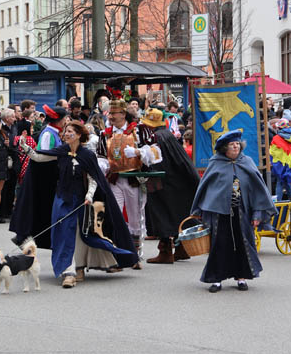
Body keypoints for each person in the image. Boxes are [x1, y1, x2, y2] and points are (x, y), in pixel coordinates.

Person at [14, 121, 139, 287]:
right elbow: (39, 157)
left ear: (79, 135)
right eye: (65, 131)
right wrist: (25, 146)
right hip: (61, 200)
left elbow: (93, 178)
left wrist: (89, 195)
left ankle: (79, 267)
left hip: (80, 200)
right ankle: (68, 271)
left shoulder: (87, 155)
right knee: (62, 234)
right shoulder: (61, 151)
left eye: (70, 131)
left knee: (80, 236)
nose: (66, 134)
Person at [191, 130, 276, 293]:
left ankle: (241, 278)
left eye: (238, 144)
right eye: (232, 144)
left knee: (243, 243)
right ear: (224, 148)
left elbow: (258, 190)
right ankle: (216, 279)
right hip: (219, 213)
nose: (236, 147)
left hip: (242, 212)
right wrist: (202, 212)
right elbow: (206, 188)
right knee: (219, 245)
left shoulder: (247, 162)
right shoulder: (215, 163)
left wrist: (258, 213)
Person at [96, 99, 162, 268]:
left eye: (114, 113)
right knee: (115, 215)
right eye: (109, 113)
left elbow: (156, 150)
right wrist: (102, 165)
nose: (110, 117)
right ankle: (118, 255)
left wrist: (138, 152)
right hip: (115, 179)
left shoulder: (139, 130)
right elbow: (101, 156)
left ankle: (134, 255)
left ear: (123, 114)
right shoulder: (105, 134)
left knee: (135, 217)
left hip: (134, 179)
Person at [140, 109, 199, 264]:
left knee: (162, 215)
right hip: (175, 181)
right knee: (175, 216)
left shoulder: (157, 137)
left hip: (163, 182)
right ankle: (181, 249)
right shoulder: (166, 135)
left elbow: (156, 161)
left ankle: (166, 251)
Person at [269, 118, 291, 201]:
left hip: (280, 164)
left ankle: (278, 201)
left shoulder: (276, 138)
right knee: (287, 181)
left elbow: (272, 151)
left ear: (279, 128)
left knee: (280, 182)